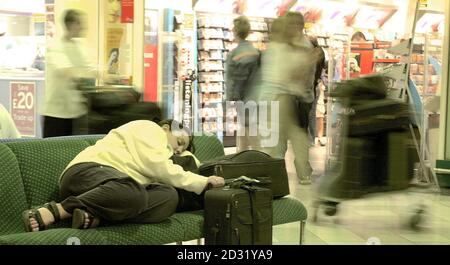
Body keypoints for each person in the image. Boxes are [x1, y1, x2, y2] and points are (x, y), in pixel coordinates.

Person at [22, 119, 225, 232]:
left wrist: (184, 152)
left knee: (168, 197)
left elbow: (178, 164)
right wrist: (202, 181)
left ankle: (95, 216)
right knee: (133, 192)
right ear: (165, 128)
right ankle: (58, 210)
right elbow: (159, 166)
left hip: (119, 188)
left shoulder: (165, 152)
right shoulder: (149, 129)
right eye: (179, 142)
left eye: (182, 149)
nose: (178, 150)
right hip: (86, 172)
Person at [42, 9, 97, 138]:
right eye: (79, 23)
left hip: (76, 113)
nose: (83, 27)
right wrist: (84, 74)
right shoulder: (55, 46)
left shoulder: (81, 45)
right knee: (54, 151)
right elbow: (66, 71)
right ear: (71, 24)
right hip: (56, 113)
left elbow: (91, 67)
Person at [225, 16, 261, 151]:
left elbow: (232, 81)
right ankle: (254, 158)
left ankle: (245, 159)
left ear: (235, 31)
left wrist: (229, 101)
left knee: (246, 129)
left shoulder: (234, 54)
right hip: (257, 98)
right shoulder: (257, 53)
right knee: (251, 130)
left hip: (243, 99)